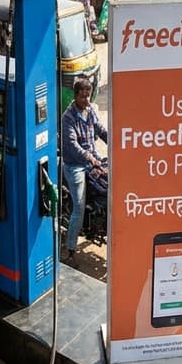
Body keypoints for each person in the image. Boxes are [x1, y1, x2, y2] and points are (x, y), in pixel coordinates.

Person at [61, 76, 107, 264]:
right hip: (75, 166)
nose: (86, 100)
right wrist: (89, 158)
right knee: (78, 207)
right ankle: (71, 250)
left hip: (93, 159)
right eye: (82, 96)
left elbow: (101, 130)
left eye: (88, 96)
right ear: (76, 95)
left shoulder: (90, 111)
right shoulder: (68, 117)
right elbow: (72, 145)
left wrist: (117, 142)